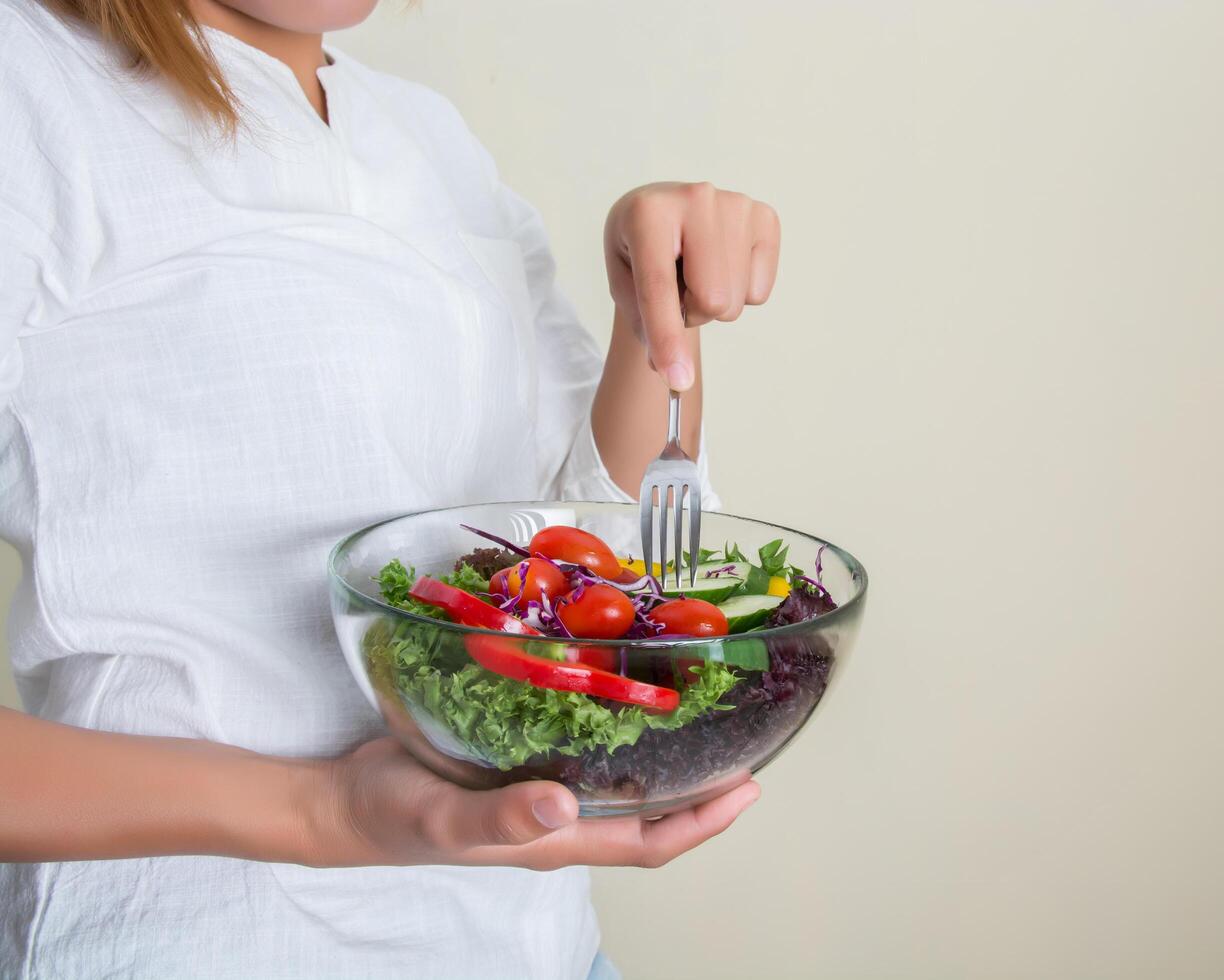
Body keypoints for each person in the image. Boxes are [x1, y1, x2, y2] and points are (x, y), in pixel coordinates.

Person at [0, 0, 779, 975]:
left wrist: (653, 310)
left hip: (536, 943)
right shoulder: (28, 84)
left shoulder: (426, 133)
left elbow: (601, 553)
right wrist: (329, 808)